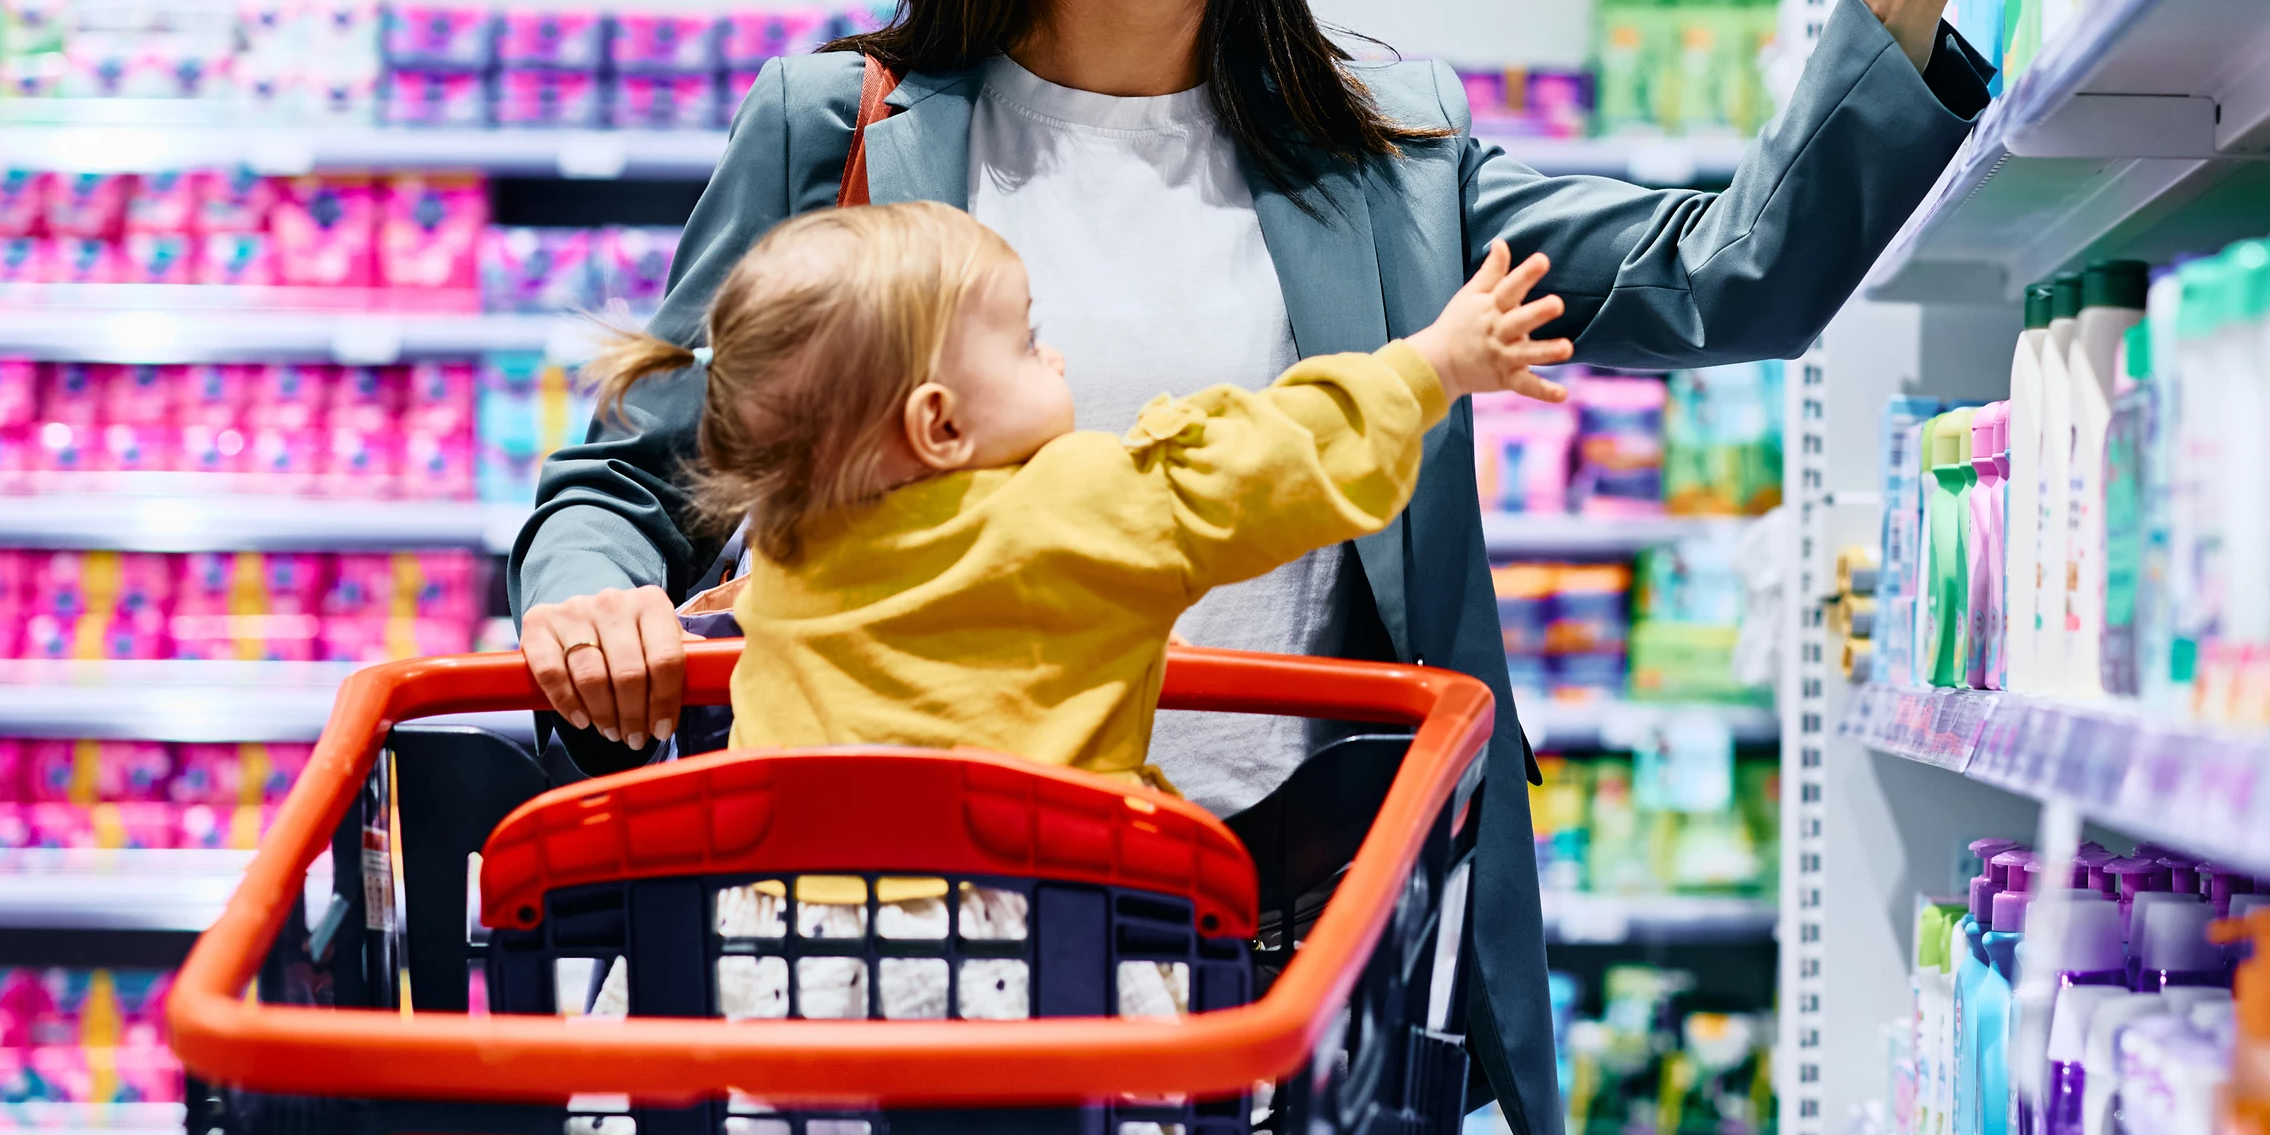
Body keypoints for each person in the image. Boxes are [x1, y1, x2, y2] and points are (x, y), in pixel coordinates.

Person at [514, 0, 2032, 1135]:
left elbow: (1728, 274)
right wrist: (590, 590)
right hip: (900, 939)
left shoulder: (1389, 148)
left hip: (1292, 931)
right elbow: (639, 468)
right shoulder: (849, 130)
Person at [588, 198, 1571, 779]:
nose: (1053, 353)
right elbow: (1271, 456)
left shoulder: (793, 555)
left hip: (789, 967)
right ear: (941, 424)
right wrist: (1429, 367)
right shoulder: (1083, 505)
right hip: (1038, 966)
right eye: (1024, 341)